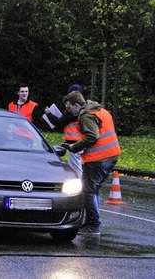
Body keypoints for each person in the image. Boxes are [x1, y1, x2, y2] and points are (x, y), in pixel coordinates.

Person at [61, 91, 121, 235]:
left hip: (98, 159)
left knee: (88, 191)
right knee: (94, 190)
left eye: (69, 108)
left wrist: (74, 147)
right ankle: (93, 221)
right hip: (111, 156)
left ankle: (93, 224)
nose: (69, 111)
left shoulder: (86, 116)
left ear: (76, 105)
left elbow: (92, 136)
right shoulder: (101, 111)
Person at [44, 84, 84, 171]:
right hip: (78, 141)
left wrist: (49, 114)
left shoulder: (72, 111)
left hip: (74, 142)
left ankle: (79, 184)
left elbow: (59, 122)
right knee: (76, 166)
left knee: (76, 168)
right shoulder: (81, 108)